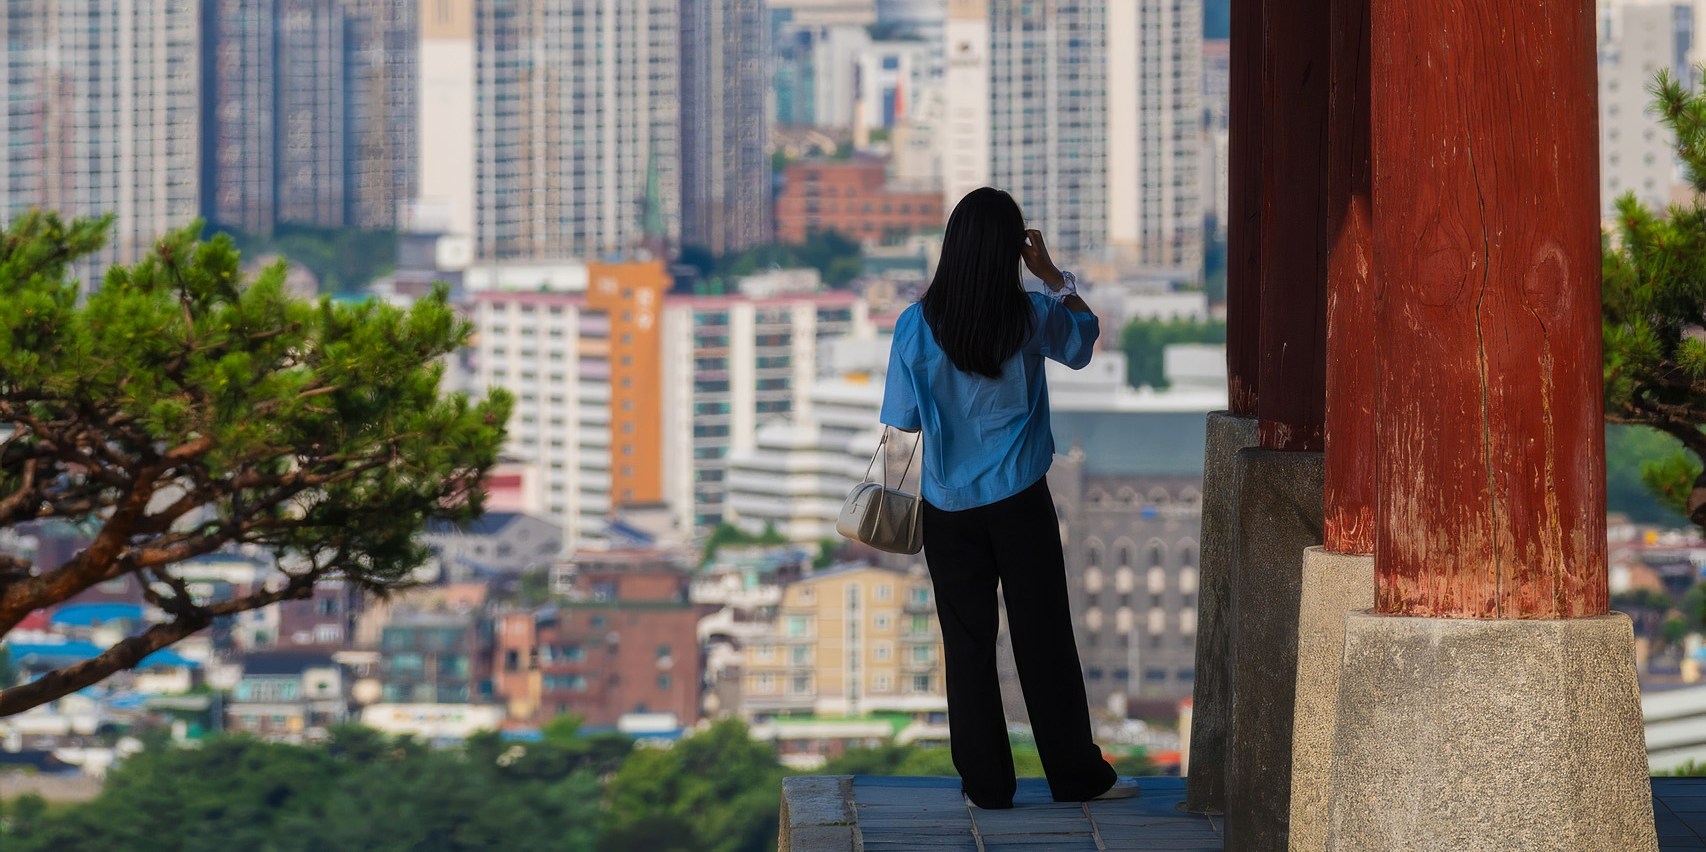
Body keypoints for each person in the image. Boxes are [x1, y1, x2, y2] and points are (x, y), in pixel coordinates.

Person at [879, 187, 1138, 809]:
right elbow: (1084, 340)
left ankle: (987, 786)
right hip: (1020, 501)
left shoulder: (915, 325)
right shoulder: (1028, 315)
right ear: (1008, 253)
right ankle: (1075, 776)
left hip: (948, 509)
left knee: (967, 646)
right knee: (1043, 637)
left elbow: (905, 419)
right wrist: (1053, 276)